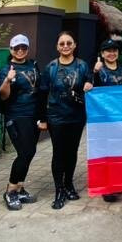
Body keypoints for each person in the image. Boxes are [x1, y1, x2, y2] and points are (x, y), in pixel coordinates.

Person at [39, 31, 94, 209]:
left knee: (72, 152)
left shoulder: (82, 66)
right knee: (59, 153)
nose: (65, 46)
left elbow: (90, 84)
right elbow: (42, 93)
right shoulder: (51, 68)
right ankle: (59, 189)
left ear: (74, 45)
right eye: (62, 43)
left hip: (76, 116)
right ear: (57, 47)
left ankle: (69, 184)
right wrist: (43, 118)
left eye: (69, 43)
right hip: (56, 116)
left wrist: (89, 84)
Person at [0, 34, 44, 211]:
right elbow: (3, 95)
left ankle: (20, 187)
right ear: (11, 50)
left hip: (33, 116)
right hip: (16, 116)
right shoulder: (6, 69)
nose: (20, 51)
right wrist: (8, 79)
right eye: (16, 48)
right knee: (25, 153)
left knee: (30, 153)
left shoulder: (33, 65)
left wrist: (42, 116)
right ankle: (10, 191)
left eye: (23, 47)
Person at [93, 38, 122, 203]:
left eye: (114, 50)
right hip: (105, 119)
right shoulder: (98, 70)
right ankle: (107, 187)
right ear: (102, 54)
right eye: (108, 50)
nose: (111, 53)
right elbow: (91, 90)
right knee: (106, 153)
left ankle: (119, 183)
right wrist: (94, 74)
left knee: (120, 152)